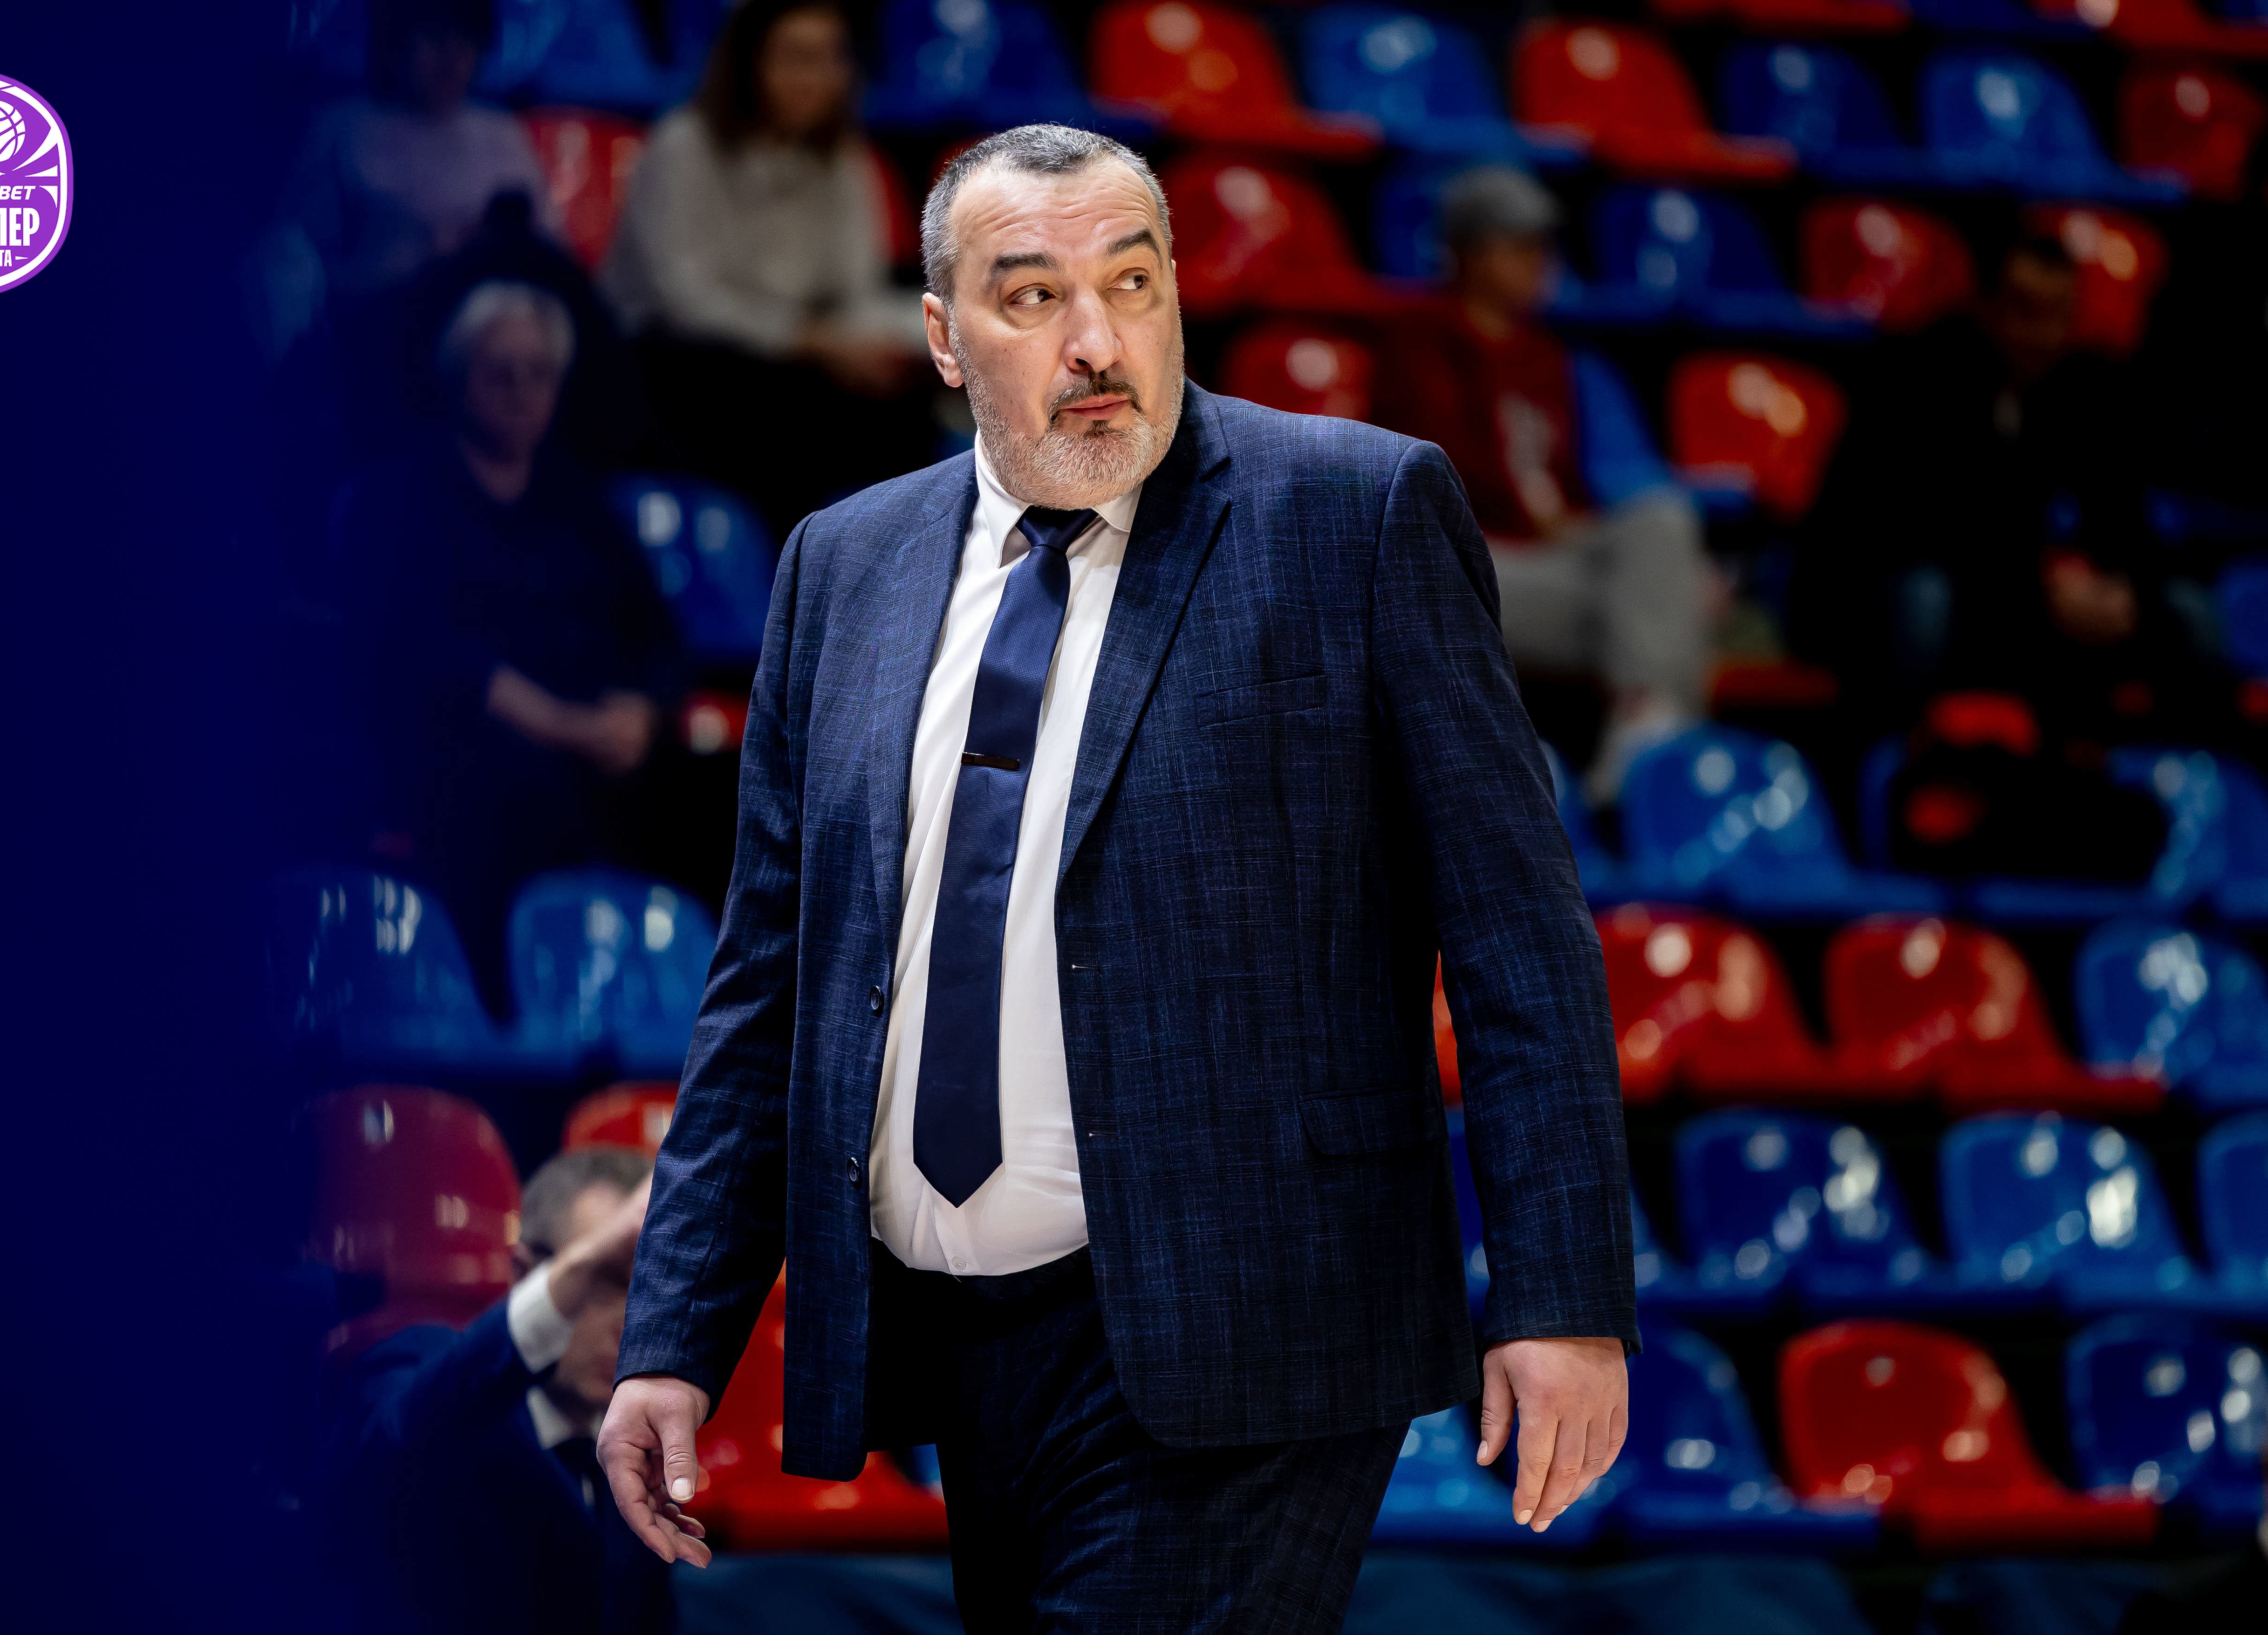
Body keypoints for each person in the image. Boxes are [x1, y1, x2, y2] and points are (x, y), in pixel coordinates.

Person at [596, 126, 1637, 1632]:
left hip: (1257, 1321)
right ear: (942, 337)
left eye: (1130, 284)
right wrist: (671, 1336)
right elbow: (770, 985)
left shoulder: (1354, 513)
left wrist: (1562, 1297)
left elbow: (1518, 938)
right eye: (1032, 297)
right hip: (963, 1346)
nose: (1095, 341)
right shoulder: (842, 565)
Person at [332, 280, 685, 1005]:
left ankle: (676, 1016)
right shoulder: (401, 499)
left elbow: (658, 635)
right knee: (520, 796)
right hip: (467, 757)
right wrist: (563, 727)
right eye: (501, 375)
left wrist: (643, 714)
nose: (522, 394)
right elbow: (420, 653)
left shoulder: (579, 503)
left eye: (539, 374)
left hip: (595, 749)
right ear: (459, 379)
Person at [1376, 165, 1712, 800]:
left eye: (1543, 245)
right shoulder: (1415, 346)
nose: (1541, 262)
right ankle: (1654, 769)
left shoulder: (1544, 357)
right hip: (1471, 563)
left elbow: (1561, 491)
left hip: (1550, 556)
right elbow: (1426, 487)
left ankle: (1643, 729)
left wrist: (1568, 528)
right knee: (1667, 604)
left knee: (1660, 521)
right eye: (1521, 245)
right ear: (1471, 253)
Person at [1792, 233, 2177, 736]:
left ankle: (2154, 771)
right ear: (1986, 307)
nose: (2042, 334)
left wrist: (2122, 589)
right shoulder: (1919, 375)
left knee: (2183, 612)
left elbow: (2124, 517)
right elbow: (1914, 533)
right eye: (2025, 311)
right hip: (1881, 593)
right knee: (1924, 602)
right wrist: (2043, 591)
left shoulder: (2083, 389)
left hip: (2017, 602)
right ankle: (1887, 761)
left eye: (2058, 314)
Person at [599, 0, 935, 535]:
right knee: (775, 419)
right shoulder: (683, 146)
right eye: (798, 58)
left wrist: (889, 346)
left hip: (792, 357)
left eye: (832, 58)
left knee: (908, 416)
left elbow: (855, 290)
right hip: (677, 361)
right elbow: (686, 301)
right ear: (750, 64)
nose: (818, 77)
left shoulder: (843, 157)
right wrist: (812, 342)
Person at [319, 1146, 675, 1635]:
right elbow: (395, 1446)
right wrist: (582, 1265)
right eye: (607, 1280)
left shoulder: (640, 1452)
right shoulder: (429, 1369)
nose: (629, 1323)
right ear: (527, 1274)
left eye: (649, 1294)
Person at [253, 0, 560, 362]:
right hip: (388, 333)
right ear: (396, 39)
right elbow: (294, 274)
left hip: (500, 328)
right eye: (435, 37)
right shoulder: (344, 131)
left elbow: (553, 249)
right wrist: (423, 258)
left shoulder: (502, 132)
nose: (452, 57)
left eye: (466, 40)